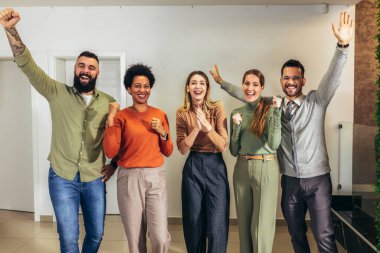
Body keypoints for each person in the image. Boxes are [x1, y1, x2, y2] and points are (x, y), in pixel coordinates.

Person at [210, 12, 353, 253]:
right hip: (290, 181)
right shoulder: (272, 105)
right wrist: (222, 82)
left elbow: (333, 77)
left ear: (303, 80)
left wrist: (342, 46)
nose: (290, 82)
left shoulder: (317, 101)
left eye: (295, 78)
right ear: (281, 80)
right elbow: (247, 94)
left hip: (317, 180)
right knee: (296, 234)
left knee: (325, 236)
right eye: (286, 77)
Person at [0, 8, 119, 253]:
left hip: (94, 177)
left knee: (96, 234)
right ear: (75, 69)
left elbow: (120, 137)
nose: (85, 70)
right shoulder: (57, 92)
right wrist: (10, 29)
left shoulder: (109, 102)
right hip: (62, 177)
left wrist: (114, 163)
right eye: (81, 66)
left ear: (98, 72)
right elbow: (27, 65)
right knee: (68, 238)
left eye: (91, 67)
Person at [103, 63, 173, 253]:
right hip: (129, 178)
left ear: (150, 88)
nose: (142, 90)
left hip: (155, 177)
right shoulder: (121, 116)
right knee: (135, 238)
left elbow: (168, 151)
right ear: (129, 89)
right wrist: (110, 119)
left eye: (146, 86)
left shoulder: (160, 114)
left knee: (159, 237)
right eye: (137, 86)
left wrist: (162, 132)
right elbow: (110, 151)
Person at [212, 67, 281, 253]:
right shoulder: (237, 112)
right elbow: (234, 151)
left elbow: (274, 144)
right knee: (243, 225)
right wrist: (235, 127)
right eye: (246, 83)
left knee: (260, 229)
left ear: (262, 87)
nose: (250, 88)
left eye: (255, 84)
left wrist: (276, 112)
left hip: (266, 167)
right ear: (242, 85)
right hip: (241, 168)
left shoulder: (268, 108)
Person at [176, 71, 229, 253]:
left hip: (216, 165)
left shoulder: (217, 107)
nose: (198, 86)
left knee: (217, 224)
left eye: (202, 83)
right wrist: (197, 128)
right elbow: (182, 149)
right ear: (187, 87)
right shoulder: (182, 113)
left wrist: (207, 128)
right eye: (193, 83)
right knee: (194, 222)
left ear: (207, 88)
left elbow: (222, 145)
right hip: (193, 166)